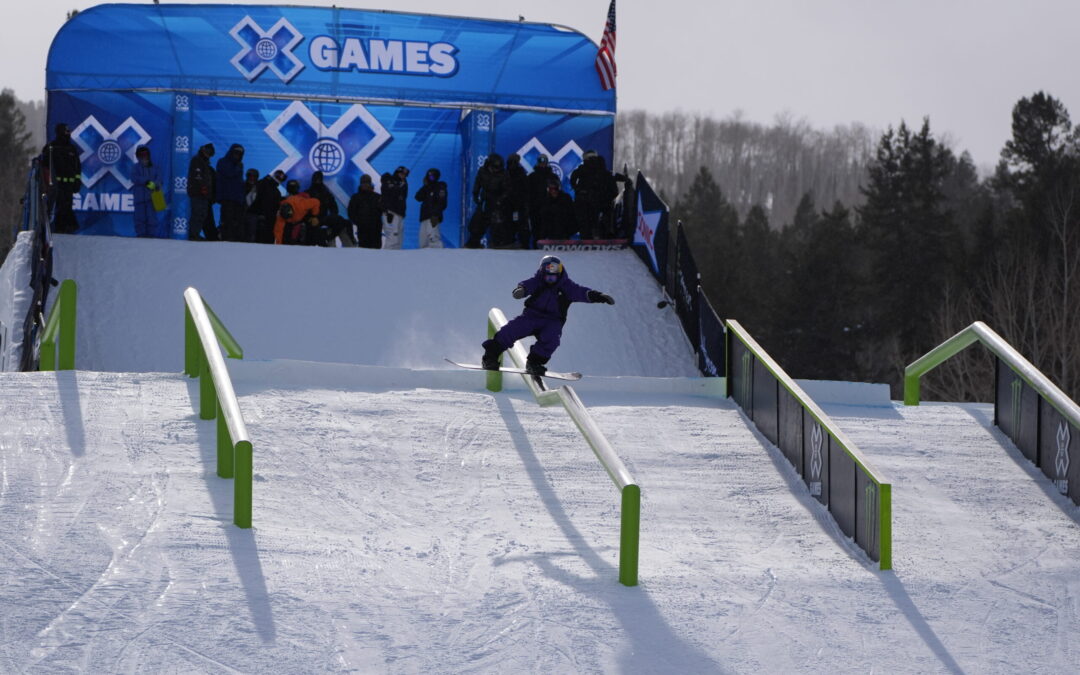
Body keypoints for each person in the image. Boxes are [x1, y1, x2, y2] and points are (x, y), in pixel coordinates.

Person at [480, 255, 615, 376]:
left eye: (553, 277)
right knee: (512, 329)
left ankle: (534, 362)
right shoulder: (538, 281)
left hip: (552, 321)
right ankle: (490, 357)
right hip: (532, 316)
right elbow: (527, 285)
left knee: (552, 339)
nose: (550, 280)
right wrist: (521, 290)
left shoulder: (566, 286)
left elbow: (582, 292)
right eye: (547, 276)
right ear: (542, 273)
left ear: (560, 273)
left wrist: (599, 296)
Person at [41, 123, 82, 233]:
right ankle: (54, 229)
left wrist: (77, 181)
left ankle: (67, 229)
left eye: (69, 132)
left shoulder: (72, 149)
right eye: (66, 131)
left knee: (67, 208)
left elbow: (77, 167)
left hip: (68, 186)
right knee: (54, 208)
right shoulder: (51, 147)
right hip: (55, 186)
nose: (68, 134)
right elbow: (44, 166)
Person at [569, 150, 618, 239]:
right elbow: (613, 180)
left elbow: (573, 181)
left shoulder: (583, 170)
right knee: (592, 223)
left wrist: (579, 191)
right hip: (593, 201)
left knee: (588, 224)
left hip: (591, 202)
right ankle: (596, 237)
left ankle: (592, 237)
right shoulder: (601, 170)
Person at [465, 153, 511, 248]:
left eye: (498, 168)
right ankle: (473, 241)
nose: (496, 170)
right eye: (494, 167)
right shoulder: (482, 171)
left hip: (497, 201)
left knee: (497, 223)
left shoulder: (503, 174)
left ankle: (497, 243)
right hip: (485, 200)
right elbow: (477, 184)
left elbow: (507, 190)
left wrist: (500, 200)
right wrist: (475, 194)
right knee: (477, 222)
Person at [306, 171, 357, 247]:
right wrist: (311, 219)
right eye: (316, 179)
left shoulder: (326, 193)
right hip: (313, 224)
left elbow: (334, 208)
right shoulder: (308, 193)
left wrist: (329, 219)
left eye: (319, 179)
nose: (317, 181)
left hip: (327, 223)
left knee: (333, 242)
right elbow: (304, 210)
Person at [187, 143, 219, 241]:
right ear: (203, 150)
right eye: (207, 152)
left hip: (204, 194)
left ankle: (195, 233)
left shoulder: (204, 163)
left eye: (210, 153)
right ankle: (193, 234)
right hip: (198, 193)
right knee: (197, 214)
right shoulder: (197, 161)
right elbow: (197, 177)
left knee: (202, 214)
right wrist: (203, 188)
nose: (208, 155)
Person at [273, 179, 320, 245]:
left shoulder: (302, 204)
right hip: (293, 222)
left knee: (312, 224)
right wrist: (278, 244)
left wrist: (314, 216)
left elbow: (316, 202)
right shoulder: (281, 215)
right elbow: (278, 230)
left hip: (304, 217)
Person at [215, 143, 245, 241]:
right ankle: (226, 239)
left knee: (237, 222)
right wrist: (237, 167)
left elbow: (240, 182)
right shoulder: (223, 162)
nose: (237, 155)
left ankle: (235, 240)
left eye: (240, 154)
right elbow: (229, 173)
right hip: (227, 197)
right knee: (227, 221)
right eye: (236, 153)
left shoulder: (239, 165)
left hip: (237, 199)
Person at [526, 154, 558, 246]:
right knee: (536, 230)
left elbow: (558, 192)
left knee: (550, 228)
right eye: (541, 162)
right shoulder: (531, 177)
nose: (542, 164)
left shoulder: (553, 177)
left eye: (544, 162)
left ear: (547, 163)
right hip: (535, 208)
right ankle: (536, 247)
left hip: (550, 208)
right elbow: (527, 192)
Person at [532, 178, 576, 242]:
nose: (553, 191)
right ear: (548, 190)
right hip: (550, 229)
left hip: (564, 228)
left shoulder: (566, 198)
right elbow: (542, 214)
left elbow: (570, 213)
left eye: (555, 189)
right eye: (551, 189)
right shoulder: (544, 199)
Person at [131, 145, 161, 238]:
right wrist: (146, 181)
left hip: (154, 196)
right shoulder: (135, 167)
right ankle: (141, 235)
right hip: (139, 197)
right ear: (138, 156)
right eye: (141, 154)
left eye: (146, 154)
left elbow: (159, 180)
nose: (144, 156)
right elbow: (134, 178)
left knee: (152, 218)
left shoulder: (155, 167)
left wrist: (154, 184)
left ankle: (152, 235)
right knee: (140, 218)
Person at [414, 168, 447, 248]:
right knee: (423, 241)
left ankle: (438, 256)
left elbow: (442, 202)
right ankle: (424, 259)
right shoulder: (427, 188)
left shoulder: (440, 187)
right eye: (428, 177)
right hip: (424, 216)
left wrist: (436, 214)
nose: (430, 179)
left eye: (432, 177)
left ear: (436, 177)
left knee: (433, 238)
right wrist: (425, 186)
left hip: (433, 217)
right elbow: (418, 197)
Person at [251, 169, 286, 244]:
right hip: (259, 217)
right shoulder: (264, 184)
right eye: (279, 177)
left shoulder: (275, 190)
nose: (280, 180)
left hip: (267, 218)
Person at [348, 174, 382, 248]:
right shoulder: (355, 197)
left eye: (367, 183)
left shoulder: (377, 197)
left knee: (376, 250)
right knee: (363, 250)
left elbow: (382, 211)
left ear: (370, 184)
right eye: (363, 183)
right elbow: (351, 212)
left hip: (375, 228)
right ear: (360, 184)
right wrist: (358, 222)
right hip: (362, 228)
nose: (365, 185)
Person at [380, 166, 409, 249]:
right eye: (402, 174)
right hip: (390, 213)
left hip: (400, 214)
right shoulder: (388, 181)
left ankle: (396, 259)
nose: (403, 176)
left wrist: (401, 184)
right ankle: (387, 259)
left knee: (399, 239)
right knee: (392, 238)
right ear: (397, 172)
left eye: (405, 175)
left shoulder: (404, 183)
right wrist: (398, 186)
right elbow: (389, 192)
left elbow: (403, 196)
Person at [505, 153, 530, 248]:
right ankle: (508, 242)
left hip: (520, 205)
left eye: (515, 162)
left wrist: (524, 204)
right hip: (507, 205)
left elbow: (526, 191)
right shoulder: (505, 174)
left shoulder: (522, 175)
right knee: (508, 226)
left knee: (522, 226)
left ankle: (524, 244)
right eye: (511, 162)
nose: (513, 164)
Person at [242, 168, 260, 243]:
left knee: (252, 234)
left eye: (254, 176)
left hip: (253, 214)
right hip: (242, 213)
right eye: (250, 176)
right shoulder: (241, 186)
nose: (252, 178)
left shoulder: (260, 187)